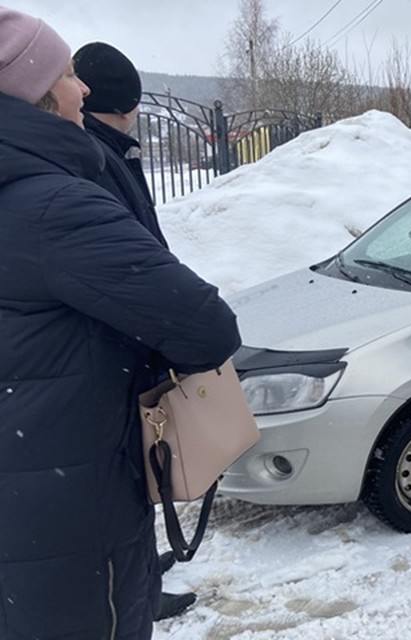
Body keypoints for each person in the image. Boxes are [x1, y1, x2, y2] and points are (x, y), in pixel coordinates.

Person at [0, 8, 241, 639]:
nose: (83, 89)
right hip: (70, 515)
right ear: (39, 94)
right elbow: (206, 328)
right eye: (68, 74)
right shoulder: (57, 205)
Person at [72, 41, 195, 621]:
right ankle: (141, 592)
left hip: (123, 347)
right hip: (116, 350)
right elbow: (129, 264)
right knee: (129, 475)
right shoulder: (97, 162)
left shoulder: (111, 153)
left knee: (139, 472)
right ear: (127, 102)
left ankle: (145, 565)